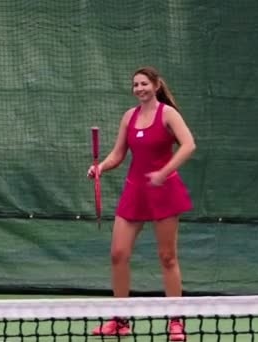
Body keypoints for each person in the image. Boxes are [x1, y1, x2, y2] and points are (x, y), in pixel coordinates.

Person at [87, 66, 196, 341]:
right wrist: (101, 168)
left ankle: (176, 322)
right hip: (135, 193)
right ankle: (121, 321)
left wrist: (164, 172)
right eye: (135, 84)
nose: (139, 89)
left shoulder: (169, 114)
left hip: (164, 191)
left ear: (156, 85)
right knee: (118, 254)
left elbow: (188, 145)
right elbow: (118, 154)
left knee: (167, 257)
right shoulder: (129, 117)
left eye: (144, 83)